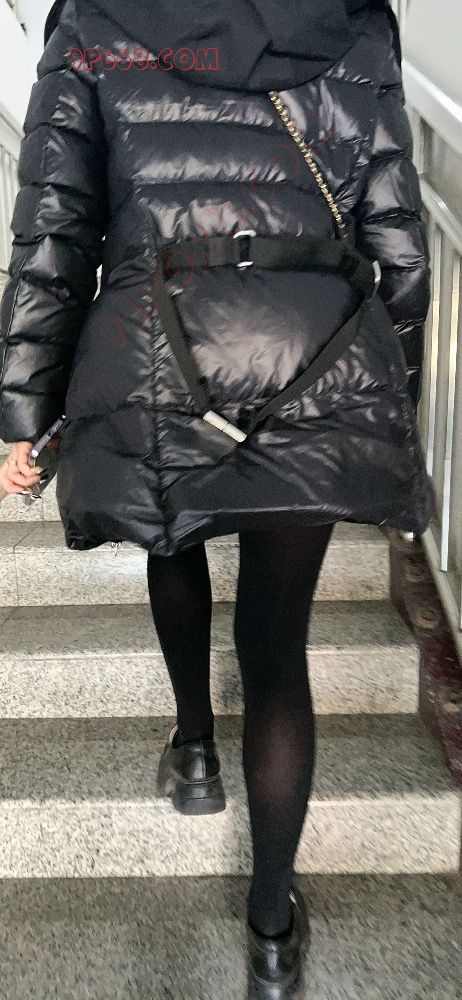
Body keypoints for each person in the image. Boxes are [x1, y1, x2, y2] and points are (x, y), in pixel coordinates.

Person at [0, 0, 435, 992]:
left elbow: (54, 235)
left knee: (172, 537)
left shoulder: (95, 22)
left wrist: (26, 406)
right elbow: (398, 243)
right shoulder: (355, 22)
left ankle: (195, 744)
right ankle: (272, 933)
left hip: (158, 345)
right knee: (278, 649)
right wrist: (386, 402)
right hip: (315, 354)